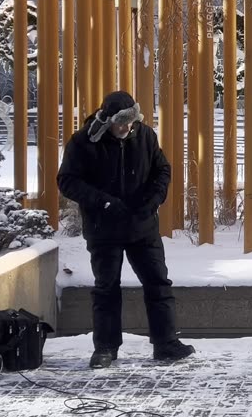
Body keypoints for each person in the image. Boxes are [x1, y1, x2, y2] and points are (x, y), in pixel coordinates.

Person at [57, 90, 195, 369]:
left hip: (142, 226)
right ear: (106, 119)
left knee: (158, 283)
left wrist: (153, 200)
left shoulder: (145, 135)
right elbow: (67, 180)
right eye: (121, 122)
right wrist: (102, 201)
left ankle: (166, 343)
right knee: (106, 288)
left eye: (131, 122)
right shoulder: (83, 142)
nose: (126, 127)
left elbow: (162, 170)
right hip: (103, 229)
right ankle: (106, 348)